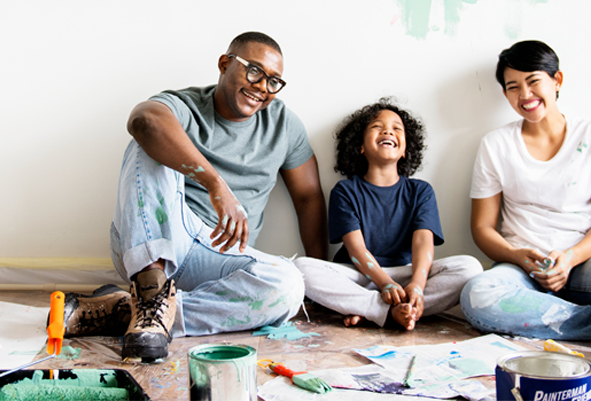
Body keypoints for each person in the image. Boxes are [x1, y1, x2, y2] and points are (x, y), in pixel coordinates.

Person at [60, 32, 328, 361]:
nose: (262, 87)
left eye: (274, 81)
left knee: (289, 286)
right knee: (146, 144)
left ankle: (136, 311)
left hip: (222, 259)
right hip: (160, 238)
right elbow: (144, 120)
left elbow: (309, 197)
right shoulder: (186, 105)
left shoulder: (284, 125)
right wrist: (216, 184)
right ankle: (150, 287)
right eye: (254, 71)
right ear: (225, 64)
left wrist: (321, 276)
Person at [461, 40, 591, 341]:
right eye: (513, 87)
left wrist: (569, 258)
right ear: (504, 93)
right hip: (522, 270)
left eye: (533, 81)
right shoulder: (495, 144)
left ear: (557, 81)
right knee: (477, 295)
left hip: (586, 261)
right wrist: (517, 255)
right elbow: (482, 227)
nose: (525, 95)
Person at [295, 99, 482, 331]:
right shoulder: (345, 191)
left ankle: (382, 310)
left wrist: (417, 285)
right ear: (359, 146)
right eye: (376, 126)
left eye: (397, 128)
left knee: (470, 267)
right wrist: (384, 284)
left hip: (405, 274)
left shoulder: (420, 191)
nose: (387, 130)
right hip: (360, 277)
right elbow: (356, 250)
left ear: (405, 150)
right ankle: (384, 310)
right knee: (302, 269)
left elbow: (423, 243)